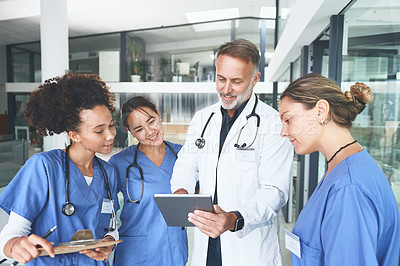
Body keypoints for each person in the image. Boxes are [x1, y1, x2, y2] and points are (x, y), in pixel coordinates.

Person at [170, 38, 294, 265]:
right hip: (206, 241)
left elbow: (274, 191)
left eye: (236, 81)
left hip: (248, 244)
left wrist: (233, 219)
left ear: (255, 79)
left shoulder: (274, 124)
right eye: (220, 79)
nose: (226, 89)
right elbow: (186, 164)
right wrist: (181, 191)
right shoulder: (202, 119)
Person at [279, 73, 400, 265]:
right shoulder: (342, 168)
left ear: (320, 111)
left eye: (288, 120)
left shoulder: (349, 188)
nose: (283, 132)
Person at [0, 72, 119, 265]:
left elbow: (110, 226)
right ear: (74, 135)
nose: (110, 135)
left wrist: (109, 242)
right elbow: (11, 234)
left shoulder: (108, 173)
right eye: (99, 130)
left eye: (111, 126)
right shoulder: (44, 167)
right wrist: (16, 246)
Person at [108, 96, 188, 266]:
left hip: (174, 251)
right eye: (139, 129)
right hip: (135, 255)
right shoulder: (119, 163)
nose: (150, 131)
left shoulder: (183, 156)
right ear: (131, 133)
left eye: (151, 121)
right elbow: (107, 212)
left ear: (159, 115)